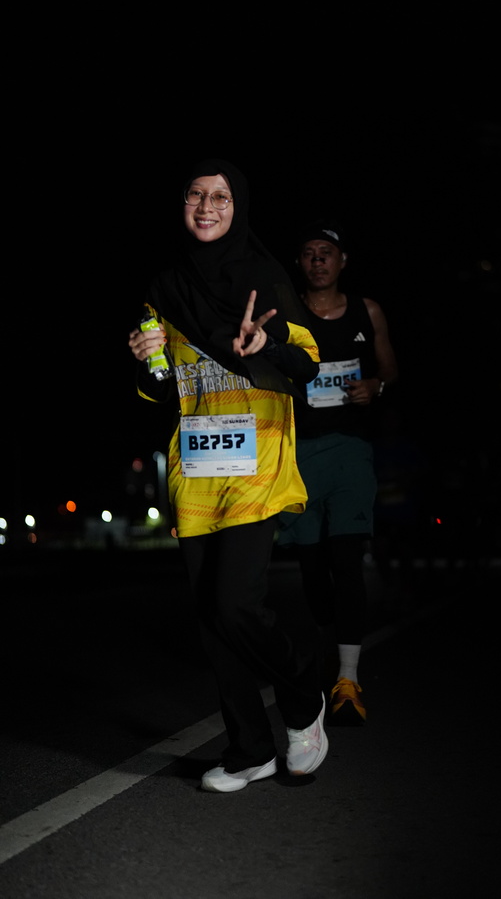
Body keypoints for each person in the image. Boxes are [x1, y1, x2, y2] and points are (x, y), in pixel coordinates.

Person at [128, 159, 328, 793]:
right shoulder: (165, 287)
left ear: (238, 206)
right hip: (197, 466)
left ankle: (304, 698)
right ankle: (251, 749)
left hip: (257, 460)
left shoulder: (265, 279)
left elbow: (307, 364)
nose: (206, 206)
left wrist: (266, 344)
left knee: (235, 603)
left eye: (220, 197)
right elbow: (159, 391)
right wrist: (149, 362)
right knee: (212, 622)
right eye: (195, 195)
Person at [277, 220, 398, 724]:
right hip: (299, 454)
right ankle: (331, 644)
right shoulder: (286, 314)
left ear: (342, 260)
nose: (318, 260)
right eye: (309, 253)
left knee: (346, 561)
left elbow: (389, 369)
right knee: (313, 572)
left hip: (351, 451)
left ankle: (348, 678)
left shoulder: (368, 311)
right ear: (299, 263)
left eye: (326, 252)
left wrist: (376, 386)